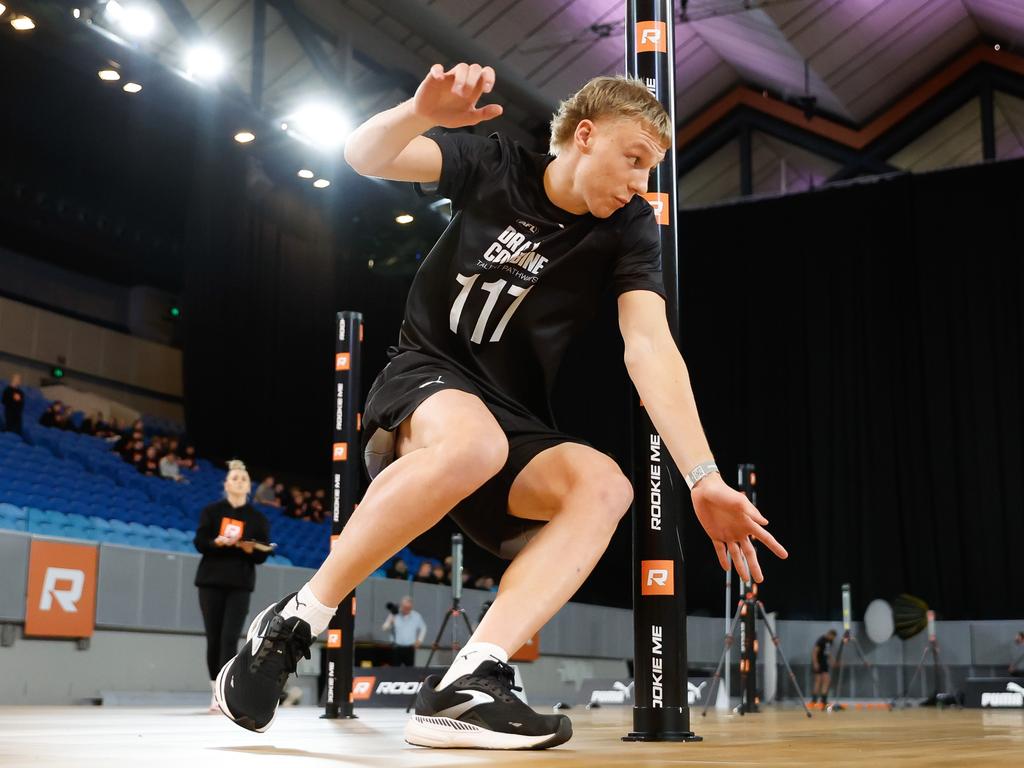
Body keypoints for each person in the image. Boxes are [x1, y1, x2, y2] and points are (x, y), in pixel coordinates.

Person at [215, 62, 787, 749]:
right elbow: (362, 155)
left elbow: (649, 348)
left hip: (512, 418)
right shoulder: (493, 163)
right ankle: (297, 618)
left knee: (605, 486)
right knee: (474, 443)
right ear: (583, 136)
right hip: (425, 377)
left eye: (651, 169)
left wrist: (703, 477)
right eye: (633, 160)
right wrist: (418, 113)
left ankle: (469, 680)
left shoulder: (630, 228)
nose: (642, 183)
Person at [194, 460, 271, 712]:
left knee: (230, 637)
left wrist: (250, 549)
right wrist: (217, 542)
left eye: (243, 479)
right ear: (226, 484)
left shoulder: (257, 518)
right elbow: (200, 542)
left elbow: (261, 555)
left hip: (240, 583)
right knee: (213, 638)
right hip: (210, 581)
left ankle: (225, 691)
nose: (239, 481)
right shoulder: (211, 512)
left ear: (249, 487)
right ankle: (214, 691)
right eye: (234, 478)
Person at [381, 596, 427, 667]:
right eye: (405, 607)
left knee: (410, 670)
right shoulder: (394, 614)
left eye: (408, 608)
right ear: (401, 606)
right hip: (396, 648)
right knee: (395, 670)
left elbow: (423, 628)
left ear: (411, 607)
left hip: (410, 648)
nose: (406, 609)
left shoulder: (416, 616)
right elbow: (385, 628)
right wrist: (391, 620)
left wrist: (419, 640)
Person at [811, 628, 837, 707]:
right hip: (819, 662)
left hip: (824, 662)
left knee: (826, 680)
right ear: (830, 634)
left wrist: (832, 660)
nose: (833, 639)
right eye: (832, 637)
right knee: (818, 680)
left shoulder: (830, 641)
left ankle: (824, 699)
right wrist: (815, 663)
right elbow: (814, 652)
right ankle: (814, 700)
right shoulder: (821, 640)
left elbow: (827, 652)